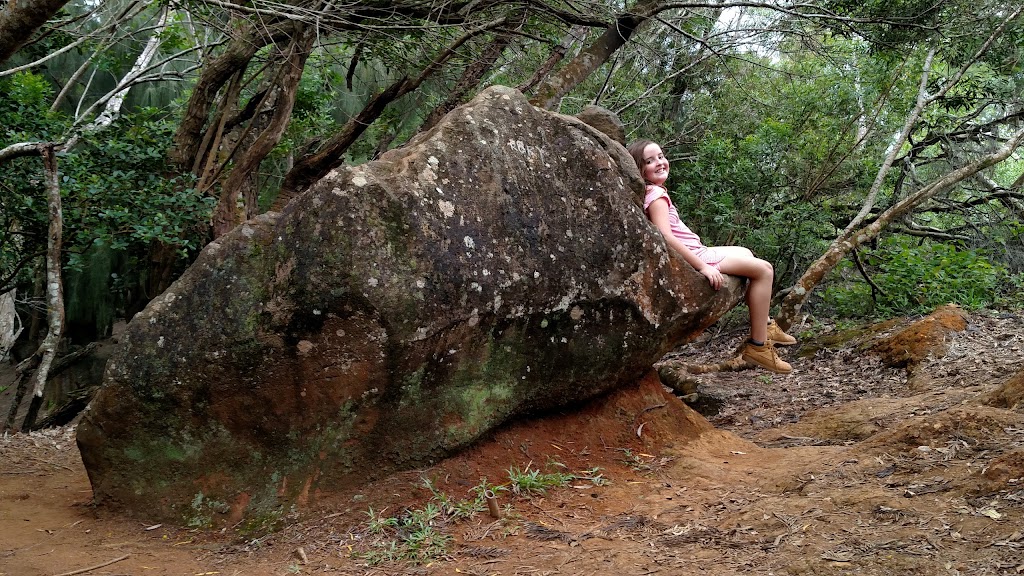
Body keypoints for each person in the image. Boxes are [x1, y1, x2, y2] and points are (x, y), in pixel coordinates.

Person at [627, 139, 796, 374]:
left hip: (700, 250)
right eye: (649, 161)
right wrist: (703, 267)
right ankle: (759, 346)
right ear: (639, 168)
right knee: (764, 270)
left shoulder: (652, 192)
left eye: (661, 156)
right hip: (697, 256)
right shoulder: (656, 196)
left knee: (746, 253)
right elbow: (665, 236)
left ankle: (766, 323)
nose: (659, 162)